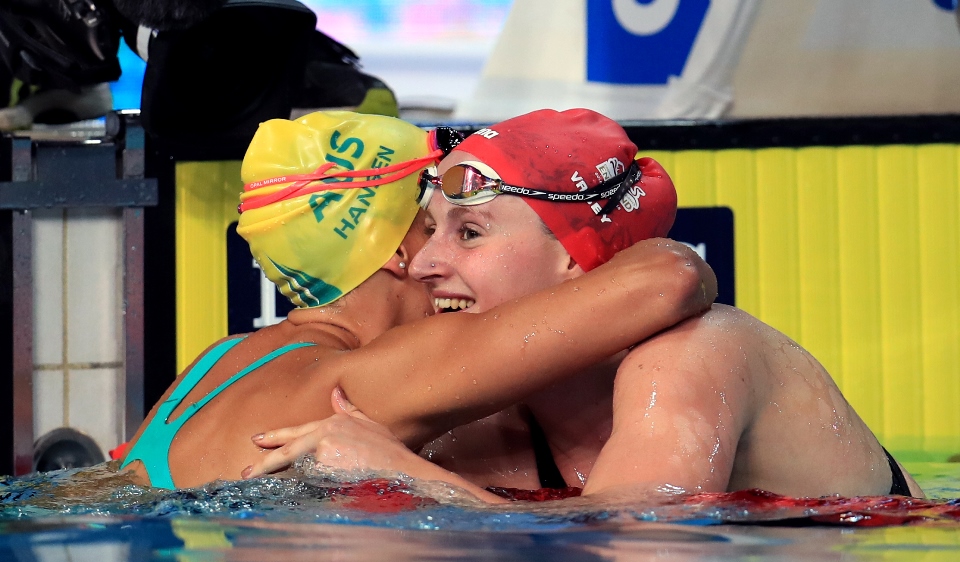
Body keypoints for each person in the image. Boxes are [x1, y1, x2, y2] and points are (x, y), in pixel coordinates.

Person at [246, 108, 924, 501]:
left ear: (573, 256)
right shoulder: (498, 409)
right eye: (430, 229)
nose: (423, 263)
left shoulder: (692, 358)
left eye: (469, 233)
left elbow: (640, 544)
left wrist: (405, 475)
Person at [117, 109, 716, 491]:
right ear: (398, 250)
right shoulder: (375, 377)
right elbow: (670, 276)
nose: (440, 257)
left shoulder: (223, 360)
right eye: (434, 223)